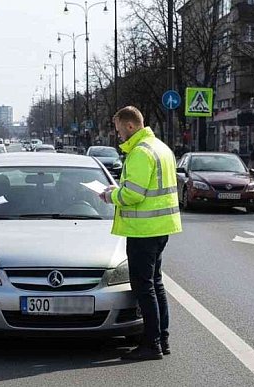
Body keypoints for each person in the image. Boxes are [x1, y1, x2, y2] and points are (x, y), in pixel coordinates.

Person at [98, 106, 182, 361]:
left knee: (143, 287)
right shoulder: (161, 148)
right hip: (161, 227)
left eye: (119, 130)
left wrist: (109, 195)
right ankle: (162, 338)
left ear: (130, 126)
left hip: (143, 229)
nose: (118, 135)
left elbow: (133, 194)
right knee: (155, 284)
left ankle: (151, 344)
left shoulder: (140, 153)